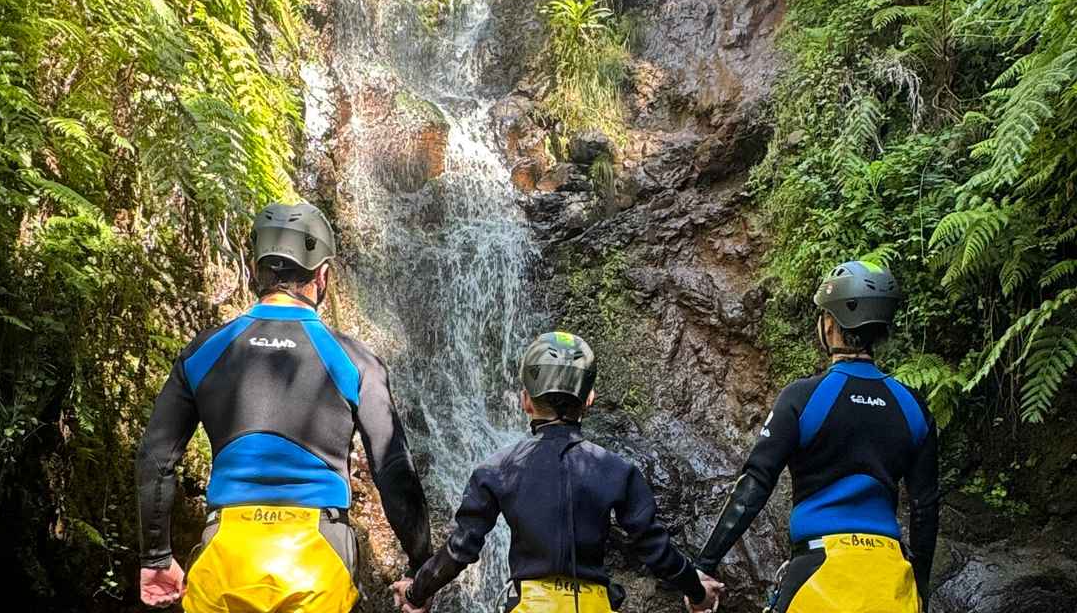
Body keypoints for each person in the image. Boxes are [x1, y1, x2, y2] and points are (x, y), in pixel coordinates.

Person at [135, 201, 431, 612]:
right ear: (322, 276)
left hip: (226, 552)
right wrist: (422, 568)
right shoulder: (356, 361)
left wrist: (156, 558)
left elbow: (155, 458)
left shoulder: (204, 351)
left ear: (253, 269)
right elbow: (394, 470)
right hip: (317, 559)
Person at [390, 331, 725, 613]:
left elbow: (460, 549)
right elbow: (656, 549)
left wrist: (417, 592)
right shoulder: (617, 470)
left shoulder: (497, 469)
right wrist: (698, 593)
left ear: (526, 401)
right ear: (589, 399)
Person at [695, 261, 940, 613]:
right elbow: (925, 508)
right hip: (892, 582)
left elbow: (754, 485)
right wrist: (921, 589)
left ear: (829, 324)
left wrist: (705, 565)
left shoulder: (803, 398)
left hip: (818, 572)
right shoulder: (913, 407)